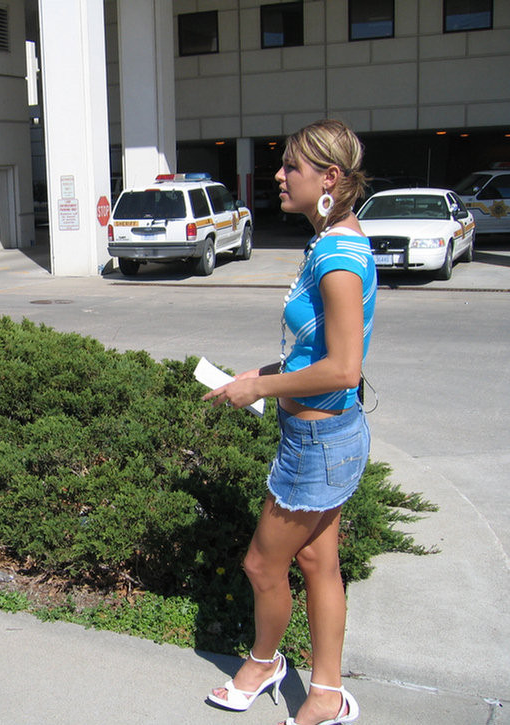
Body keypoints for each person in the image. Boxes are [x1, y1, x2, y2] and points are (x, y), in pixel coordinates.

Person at [203, 119, 375, 725]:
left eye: (292, 167)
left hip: (317, 443)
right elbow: (316, 351)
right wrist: (262, 371)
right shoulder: (337, 242)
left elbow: (343, 368)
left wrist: (260, 386)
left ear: (329, 178)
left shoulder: (336, 256)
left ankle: (264, 663)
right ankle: (326, 694)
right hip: (324, 435)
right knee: (317, 562)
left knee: (260, 564)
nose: (278, 175)